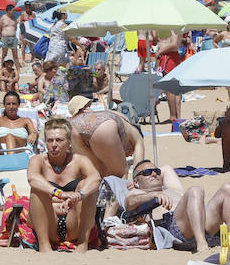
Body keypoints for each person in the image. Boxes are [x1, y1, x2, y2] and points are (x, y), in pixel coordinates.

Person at [124, 158, 230, 253]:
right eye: (147, 173)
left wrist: (153, 173)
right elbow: (130, 203)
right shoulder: (138, 192)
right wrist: (153, 195)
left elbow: (167, 168)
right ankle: (201, 244)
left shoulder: (173, 188)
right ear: (135, 182)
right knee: (195, 190)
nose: (154, 174)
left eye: (157, 172)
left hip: (201, 222)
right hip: (175, 228)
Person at [26, 118, 102, 252]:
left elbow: (96, 178)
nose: (54, 145)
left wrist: (79, 195)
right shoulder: (38, 160)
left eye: (59, 140)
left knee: (88, 186)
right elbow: (32, 178)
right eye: (50, 140)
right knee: (37, 189)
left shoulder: (79, 160)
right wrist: (60, 194)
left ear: (69, 143)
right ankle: (45, 246)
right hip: (48, 223)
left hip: (75, 223)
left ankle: (82, 244)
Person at [69, 95, 144, 178]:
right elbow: (139, 167)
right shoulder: (135, 133)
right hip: (103, 125)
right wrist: (137, 179)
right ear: (86, 106)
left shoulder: (76, 120)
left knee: (97, 174)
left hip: (75, 127)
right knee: (120, 174)